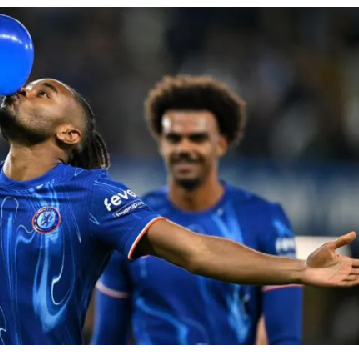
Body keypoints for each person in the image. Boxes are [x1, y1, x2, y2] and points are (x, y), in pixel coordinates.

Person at [0, 78, 359, 345]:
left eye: (44, 92)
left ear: (69, 133)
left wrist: (298, 270)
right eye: (28, 88)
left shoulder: (93, 195)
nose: (24, 89)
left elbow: (194, 248)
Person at [90, 75, 305, 345]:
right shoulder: (130, 223)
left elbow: (285, 340)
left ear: (221, 143)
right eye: (174, 138)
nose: (184, 148)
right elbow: (107, 341)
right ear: (161, 143)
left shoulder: (266, 221)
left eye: (197, 138)